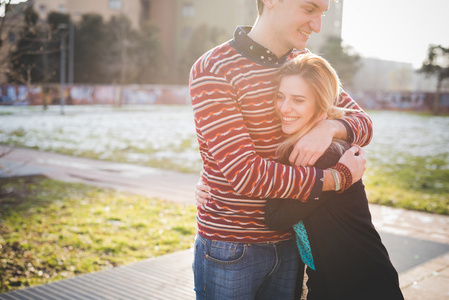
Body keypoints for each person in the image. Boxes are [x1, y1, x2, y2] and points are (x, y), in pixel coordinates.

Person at [190, 0, 372, 299]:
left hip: (292, 242)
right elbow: (245, 174)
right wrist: (336, 179)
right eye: (310, 9)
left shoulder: (304, 63)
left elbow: (364, 123)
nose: (317, 25)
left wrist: (327, 128)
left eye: (322, 14)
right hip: (231, 246)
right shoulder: (214, 68)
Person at [262, 53, 403, 299]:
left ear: (320, 107)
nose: (284, 108)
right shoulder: (305, 147)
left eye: (298, 100)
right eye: (280, 97)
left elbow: (276, 218)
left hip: (361, 283)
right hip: (327, 278)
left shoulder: (323, 155)